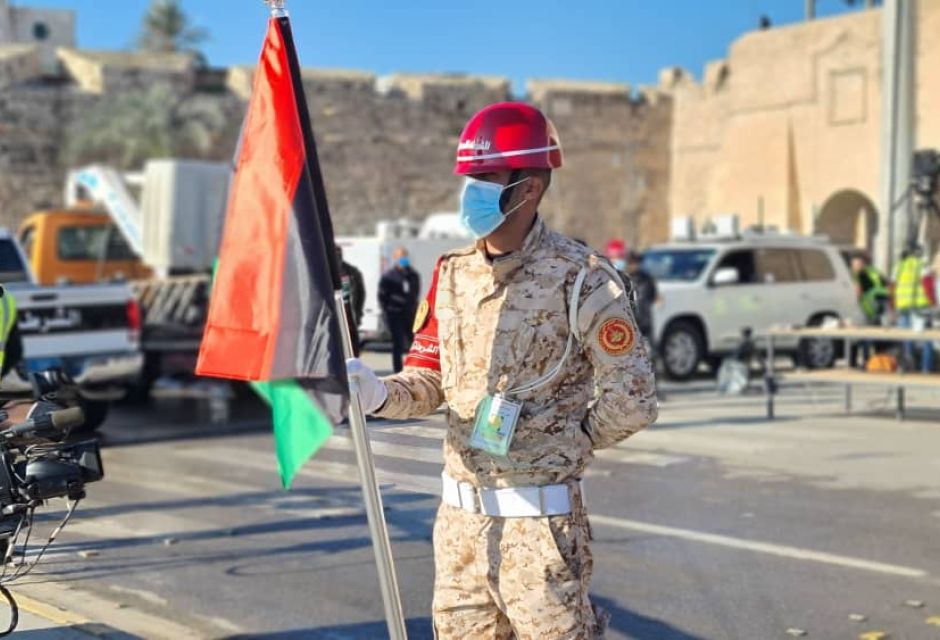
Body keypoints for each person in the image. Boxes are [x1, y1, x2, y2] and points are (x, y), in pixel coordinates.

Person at [347, 102, 658, 638]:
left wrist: (568, 441)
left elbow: (633, 399)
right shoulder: (452, 273)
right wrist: (377, 393)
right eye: (470, 178)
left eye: (486, 179)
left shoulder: (583, 278)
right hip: (460, 532)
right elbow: (428, 379)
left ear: (528, 188)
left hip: (539, 531)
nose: (470, 191)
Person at [892, 245, 934, 372]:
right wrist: (933, 302)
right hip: (920, 305)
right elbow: (928, 284)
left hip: (903, 305)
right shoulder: (922, 264)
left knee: (906, 337)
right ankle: (926, 368)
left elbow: (893, 284)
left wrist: (893, 305)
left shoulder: (899, 265)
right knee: (926, 336)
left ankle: (908, 366)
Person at [378, 247, 420, 373]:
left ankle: (414, 368)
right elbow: (382, 296)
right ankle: (398, 370)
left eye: (404, 256)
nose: (403, 259)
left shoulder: (412, 275)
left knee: (414, 342)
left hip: (410, 313)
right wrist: (388, 310)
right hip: (395, 314)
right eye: (400, 257)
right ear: (395, 258)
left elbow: (415, 292)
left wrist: (412, 306)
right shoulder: (389, 276)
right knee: (398, 343)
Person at [849, 254, 888, 368]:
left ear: (863, 264)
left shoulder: (860, 275)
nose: (855, 267)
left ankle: (858, 362)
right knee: (870, 336)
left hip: (865, 308)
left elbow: (858, 291)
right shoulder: (875, 272)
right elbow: (886, 286)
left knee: (858, 336)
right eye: (854, 265)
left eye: (857, 264)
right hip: (877, 308)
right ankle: (870, 362)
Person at [335, 245, 365, 356]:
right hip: (334, 312)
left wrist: (358, 312)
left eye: (339, 253)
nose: (337, 255)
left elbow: (361, 293)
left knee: (351, 341)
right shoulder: (325, 271)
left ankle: (353, 361)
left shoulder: (351, 272)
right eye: (335, 253)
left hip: (348, 311)